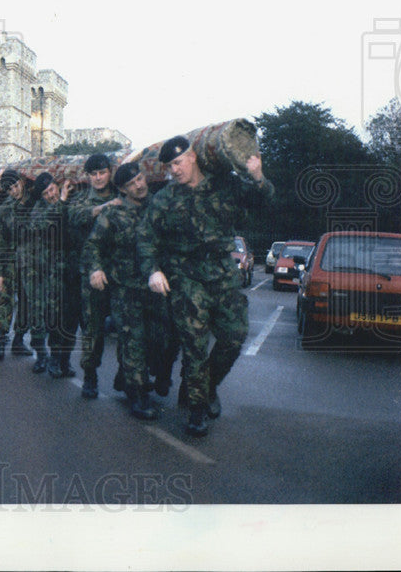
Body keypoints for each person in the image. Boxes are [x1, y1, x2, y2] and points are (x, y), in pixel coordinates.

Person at [138, 135, 274, 436]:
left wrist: (257, 176)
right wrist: (153, 270)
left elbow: (262, 200)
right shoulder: (165, 199)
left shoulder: (223, 184)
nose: (174, 170)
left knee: (234, 337)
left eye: (177, 162)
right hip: (185, 277)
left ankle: (205, 388)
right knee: (195, 346)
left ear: (192, 157)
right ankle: (197, 410)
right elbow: (146, 238)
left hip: (222, 272)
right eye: (169, 166)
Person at [85, 161, 175, 419]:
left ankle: (128, 376)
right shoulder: (112, 215)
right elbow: (92, 246)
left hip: (155, 287)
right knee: (132, 340)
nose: (139, 185)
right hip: (125, 290)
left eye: (140, 179)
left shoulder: (157, 207)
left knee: (161, 339)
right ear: (122, 190)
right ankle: (138, 396)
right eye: (131, 184)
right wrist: (96, 269)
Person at [67, 153, 117, 398]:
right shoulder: (82, 198)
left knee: (129, 327)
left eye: (102, 172)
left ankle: (130, 375)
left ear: (110, 172)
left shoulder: (123, 194)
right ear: (87, 176)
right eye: (93, 174)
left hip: (120, 271)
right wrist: (106, 207)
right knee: (92, 328)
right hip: (91, 271)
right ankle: (90, 375)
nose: (98, 178)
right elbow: (76, 217)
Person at [25, 173, 76, 377]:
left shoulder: (72, 202)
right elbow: (45, 226)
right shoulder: (39, 210)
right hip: (43, 272)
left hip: (66, 271)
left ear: (58, 185)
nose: (51, 195)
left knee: (65, 319)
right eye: (46, 193)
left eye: (53, 190)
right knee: (42, 317)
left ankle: (61, 359)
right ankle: (43, 356)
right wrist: (61, 201)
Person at [0, 170, 33, 358]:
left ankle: (19, 339)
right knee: (4, 300)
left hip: (30, 261)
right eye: (10, 189)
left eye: (16, 186)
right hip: (10, 261)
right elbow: (0, 241)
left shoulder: (33, 201)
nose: (14, 191)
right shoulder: (4, 209)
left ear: (22, 182)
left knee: (27, 302)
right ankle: (0, 340)